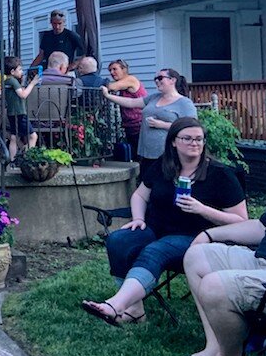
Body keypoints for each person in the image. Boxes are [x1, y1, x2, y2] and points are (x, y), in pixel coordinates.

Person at [81, 117, 247, 327]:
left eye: (199, 139)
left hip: (198, 238)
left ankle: (116, 305)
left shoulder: (221, 174)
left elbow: (241, 221)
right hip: (156, 228)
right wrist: (138, 218)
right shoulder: (164, 166)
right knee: (119, 240)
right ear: (174, 142)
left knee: (157, 249)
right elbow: (139, 195)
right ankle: (135, 309)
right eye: (187, 138)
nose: (194, 143)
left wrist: (202, 209)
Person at [173, 200, 266, 356]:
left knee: (214, 285)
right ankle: (215, 347)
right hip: (262, 262)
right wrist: (209, 234)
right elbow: (261, 227)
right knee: (196, 256)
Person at [102, 67, 197, 175]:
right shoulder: (154, 98)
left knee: (164, 182)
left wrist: (163, 125)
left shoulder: (184, 103)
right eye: (155, 79)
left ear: (172, 80)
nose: (157, 81)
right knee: (146, 182)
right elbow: (131, 102)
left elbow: (191, 127)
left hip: (169, 155)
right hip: (146, 155)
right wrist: (107, 96)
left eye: (160, 78)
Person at [106, 59, 147, 161]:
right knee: (134, 155)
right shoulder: (123, 84)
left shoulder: (131, 79)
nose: (112, 72)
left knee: (141, 156)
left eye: (115, 69)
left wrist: (99, 82)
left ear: (124, 69)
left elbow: (112, 87)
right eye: (110, 70)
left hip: (140, 125)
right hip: (130, 126)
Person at [3, 56, 40, 158]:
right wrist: (32, 83)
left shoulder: (7, 80)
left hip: (11, 113)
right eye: (20, 69)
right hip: (19, 113)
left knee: (14, 137)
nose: (22, 72)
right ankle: (27, 158)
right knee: (33, 136)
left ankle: (12, 160)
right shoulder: (13, 81)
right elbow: (23, 95)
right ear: (12, 71)